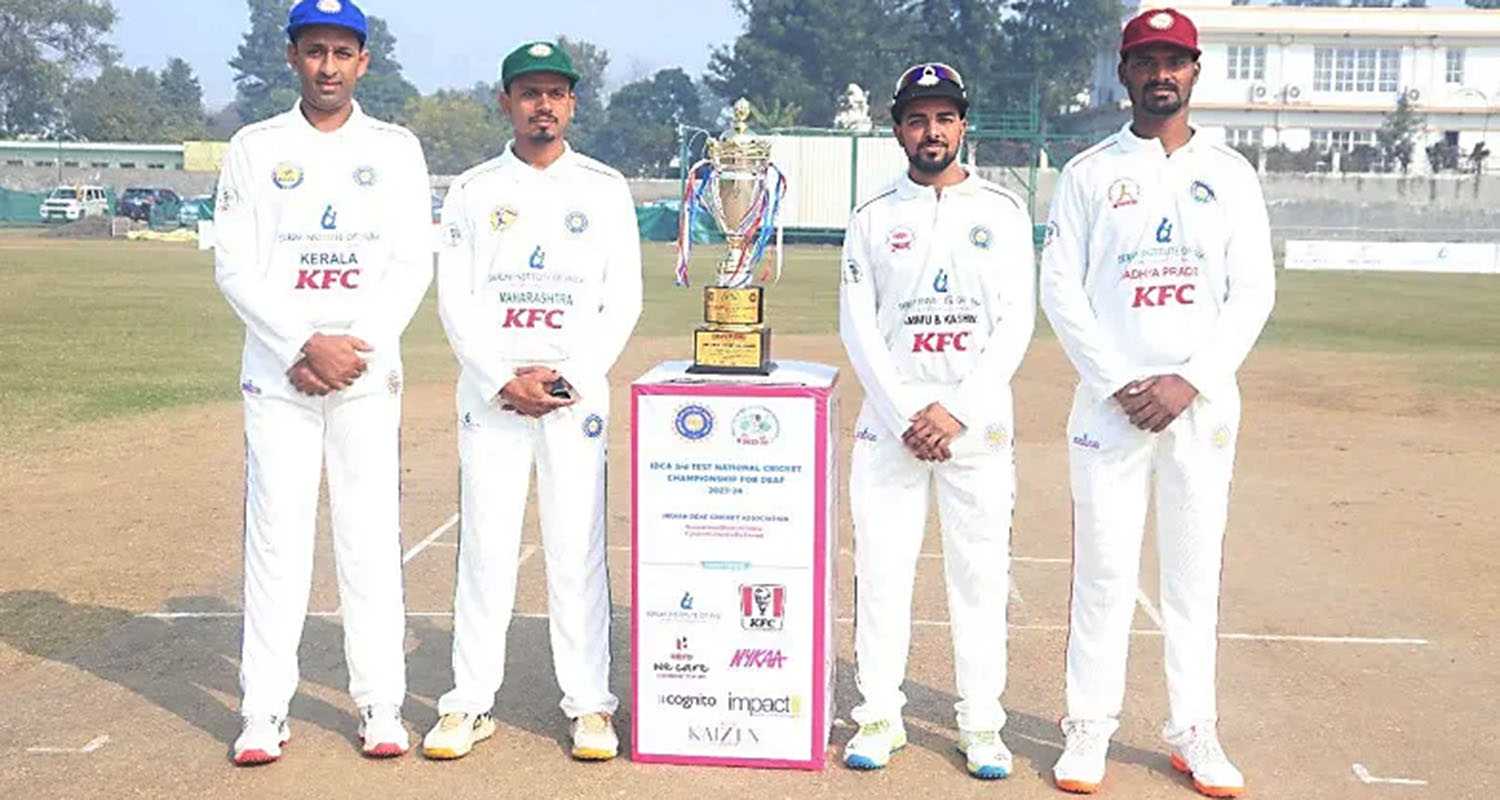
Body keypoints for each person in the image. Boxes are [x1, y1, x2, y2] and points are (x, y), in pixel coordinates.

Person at [1039, 8, 1275, 797]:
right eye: (1147, 62)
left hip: (1199, 406)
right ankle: (1087, 727)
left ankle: (1193, 729)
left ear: (1195, 73)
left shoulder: (1232, 173)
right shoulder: (1089, 172)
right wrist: (1118, 380)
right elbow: (1061, 291)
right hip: (1111, 405)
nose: (1161, 75)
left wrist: (1190, 378)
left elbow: (1254, 292)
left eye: (1175, 62)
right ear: (1125, 72)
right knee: (1103, 572)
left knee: (1191, 573)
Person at [213, 0, 433, 766]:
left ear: (364, 61)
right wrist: (304, 343)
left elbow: (411, 262)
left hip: (366, 376)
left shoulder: (396, 148)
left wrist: (351, 348)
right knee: (277, 543)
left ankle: (380, 703)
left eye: (343, 52)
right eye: (316, 51)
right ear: (292, 57)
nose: (329, 66)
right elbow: (235, 263)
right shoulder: (254, 146)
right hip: (280, 376)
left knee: (369, 538)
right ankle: (265, 709)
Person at [421, 40, 642, 763]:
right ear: (506, 102)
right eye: (528, 93)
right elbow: (456, 297)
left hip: (574, 396)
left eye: (555, 93)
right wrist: (500, 378)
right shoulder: (475, 190)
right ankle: (468, 702)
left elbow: (622, 298)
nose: (542, 105)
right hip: (494, 397)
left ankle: (589, 706)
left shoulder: (605, 188)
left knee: (576, 545)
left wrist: (570, 375)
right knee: (486, 545)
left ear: (572, 103)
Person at [838, 61, 1035, 779]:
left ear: (962, 124)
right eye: (917, 118)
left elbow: (1016, 324)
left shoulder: (1003, 213)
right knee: (882, 575)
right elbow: (857, 327)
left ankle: (981, 722)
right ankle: (879, 715)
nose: (931, 131)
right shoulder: (872, 218)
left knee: (979, 578)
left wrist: (955, 410)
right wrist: (904, 414)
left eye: (944, 117)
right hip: (890, 429)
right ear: (898, 129)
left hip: (974, 427)